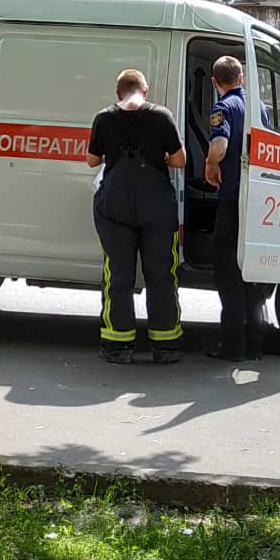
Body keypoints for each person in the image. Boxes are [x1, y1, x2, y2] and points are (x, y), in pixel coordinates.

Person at [86, 68, 188, 365]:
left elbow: (92, 160)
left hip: (115, 205)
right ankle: (166, 346)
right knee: (162, 275)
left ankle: (118, 346)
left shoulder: (104, 118)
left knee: (118, 276)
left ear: (119, 93)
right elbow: (179, 160)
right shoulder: (162, 116)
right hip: (156, 207)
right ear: (145, 91)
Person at [202, 55, 266, 363]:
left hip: (231, 200)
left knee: (228, 273)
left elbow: (220, 146)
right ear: (241, 79)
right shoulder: (259, 108)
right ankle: (255, 345)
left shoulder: (223, 108)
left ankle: (232, 346)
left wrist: (210, 164)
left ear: (215, 82)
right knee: (251, 274)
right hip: (257, 199)